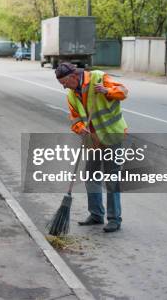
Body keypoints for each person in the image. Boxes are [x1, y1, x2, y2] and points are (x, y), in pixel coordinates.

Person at [55, 62, 129, 233]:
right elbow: (74, 119)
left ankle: (114, 219)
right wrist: (81, 128)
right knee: (91, 176)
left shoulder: (98, 77)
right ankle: (96, 214)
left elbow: (124, 91)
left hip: (111, 134)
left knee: (111, 179)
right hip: (92, 139)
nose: (64, 87)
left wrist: (107, 91)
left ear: (73, 76)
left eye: (65, 82)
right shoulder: (72, 95)